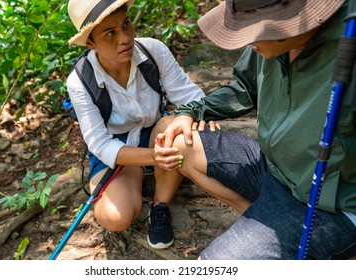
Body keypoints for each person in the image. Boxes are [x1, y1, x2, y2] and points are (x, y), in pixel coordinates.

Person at [161, 0, 356, 259]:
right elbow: (244, 88)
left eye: (251, 28)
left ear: (292, 19)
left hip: (327, 201)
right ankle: (262, 219)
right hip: (273, 168)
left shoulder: (347, 43)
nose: (244, 39)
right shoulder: (265, 41)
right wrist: (192, 111)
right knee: (178, 145)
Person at [66, 0, 205, 249]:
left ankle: (160, 206)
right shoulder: (79, 80)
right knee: (114, 218)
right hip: (117, 146)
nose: (125, 38)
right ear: (90, 43)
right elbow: (99, 143)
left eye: (126, 24)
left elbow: (191, 98)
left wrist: (198, 118)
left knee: (173, 129)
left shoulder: (152, 51)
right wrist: (152, 158)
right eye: (110, 33)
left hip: (156, 130)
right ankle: (141, 173)